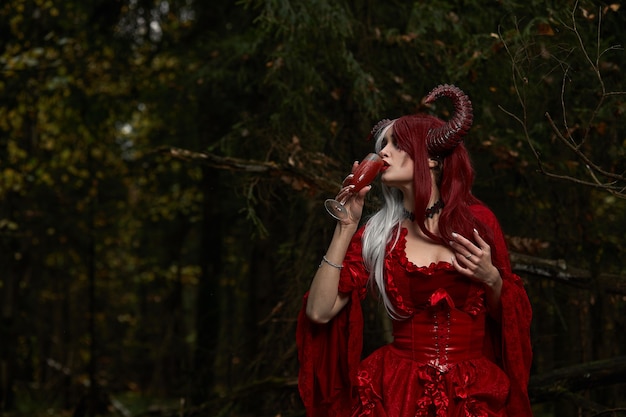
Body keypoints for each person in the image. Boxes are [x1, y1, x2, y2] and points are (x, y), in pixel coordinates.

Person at [296, 84, 533, 417]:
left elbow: (509, 321)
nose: (383, 154)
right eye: (383, 145)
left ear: (433, 159)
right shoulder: (378, 234)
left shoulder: (479, 222)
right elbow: (319, 313)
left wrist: (492, 279)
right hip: (395, 391)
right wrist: (345, 227)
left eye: (396, 144)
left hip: (472, 393)